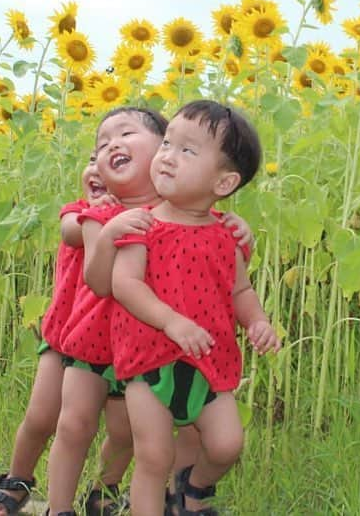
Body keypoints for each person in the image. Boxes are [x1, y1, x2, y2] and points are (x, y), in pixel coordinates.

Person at [45, 106, 254, 516]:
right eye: (101, 145)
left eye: (126, 137)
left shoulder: (189, 210)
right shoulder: (105, 212)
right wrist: (107, 237)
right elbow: (99, 280)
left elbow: (222, 267)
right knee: (75, 425)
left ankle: (113, 492)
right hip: (96, 338)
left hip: (148, 346)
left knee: (130, 436)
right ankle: (58, 508)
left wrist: (243, 234)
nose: (110, 147)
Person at [111, 100, 281, 516]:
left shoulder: (227, 235)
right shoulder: (143, 223)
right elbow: (124, 284)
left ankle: (194, 489)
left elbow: (240, 290)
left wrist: (258, 321)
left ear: (223, 183)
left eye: (187, 151)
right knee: (154, 457)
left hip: (209, 358)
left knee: (226, 444)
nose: (167, 155)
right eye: (168, 143)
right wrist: (171, 321)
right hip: (150, 357)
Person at [0, 150, 114, 516]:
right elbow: (72, 231)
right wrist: (103, 213)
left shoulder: (145, 218)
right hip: (63, 335)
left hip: (119, 344)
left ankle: (105, 487)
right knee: (42, 416)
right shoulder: (76, 212)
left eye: (117, 162)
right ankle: (18, 479)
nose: (98, 168)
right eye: (92, 158)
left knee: (122, 430)